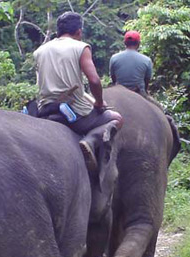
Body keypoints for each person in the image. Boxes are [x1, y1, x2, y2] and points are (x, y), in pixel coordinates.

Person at [33, 12, 123, 171]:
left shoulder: (39, 51)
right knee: (117, 118)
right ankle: (90, 141)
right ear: (79, 32)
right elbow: (94, 80)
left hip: (45, 108)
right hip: (75, 111)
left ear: (58, 31)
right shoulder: (81, 47)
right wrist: (100, 102)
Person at [109, 30, 153, 95]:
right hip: (139, 92)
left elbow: (113, 78)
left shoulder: (114, 58)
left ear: (124, 43)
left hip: (119, 91)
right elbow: (147, 80)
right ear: (139, 43)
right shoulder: (147, 60)